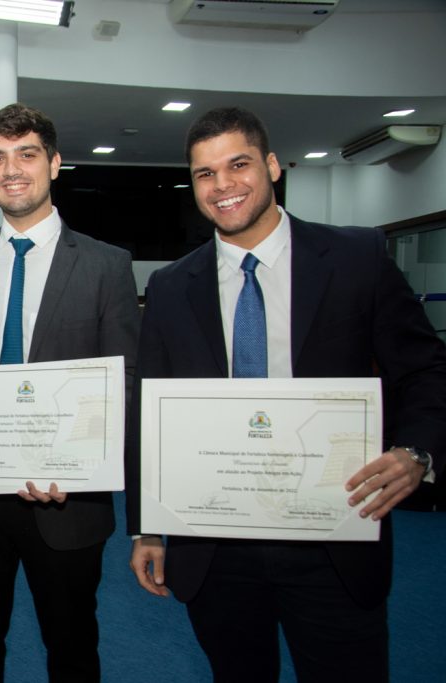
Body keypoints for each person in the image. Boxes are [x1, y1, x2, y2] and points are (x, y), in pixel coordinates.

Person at [126, 106, 446, 682]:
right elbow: (150, 412)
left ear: (272, 166)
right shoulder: (171, 287)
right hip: (216, 543)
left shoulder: (356, 259)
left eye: (238, 164)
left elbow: (427, 370)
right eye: (204, 173)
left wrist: (416, 452)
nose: (222, 186)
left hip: (333, 536)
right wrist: (147, 525)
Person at [0, 103, 140, 682]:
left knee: (71, 648)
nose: (11, 169)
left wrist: (77, 462)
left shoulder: (106, 265)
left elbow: (123, 380)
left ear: (54, 163)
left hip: (65, 499)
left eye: (26, 154)